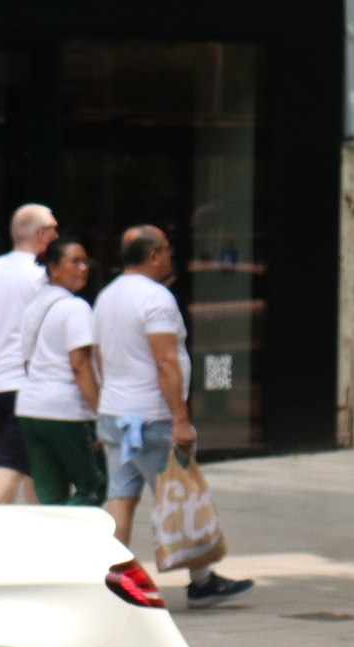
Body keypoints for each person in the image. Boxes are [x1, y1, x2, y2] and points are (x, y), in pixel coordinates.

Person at [93, 224, 254, 608]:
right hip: (151, 418)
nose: (170, 256)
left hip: (117, 414)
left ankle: (105, 578)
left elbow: (100, 357)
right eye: (166, 250)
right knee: (180, 496)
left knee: (121, 497)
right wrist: (180, 420)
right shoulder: (156, 299)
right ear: (152, 256)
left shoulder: (106, 296)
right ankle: (201, 581)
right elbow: (166, 360)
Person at [0, 203, 55, 505]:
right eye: (54, 229)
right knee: (13, 464)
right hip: (27, 385)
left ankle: (40, 535)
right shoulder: (40, 276)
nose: (58, 235)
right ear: (41, 234)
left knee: (34, 466)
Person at [15, 241, 102, 506]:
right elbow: (80, 364)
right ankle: (68, 542)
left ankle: (51, 544)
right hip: (66, 410)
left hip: (31, 408)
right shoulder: (76, 308)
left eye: (85, 261)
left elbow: (28, 360)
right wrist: (100, 413)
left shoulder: (35, 306)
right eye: (75, 261)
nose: (83, 268)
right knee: (93, 487)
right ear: (53, 268)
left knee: (51, 495)